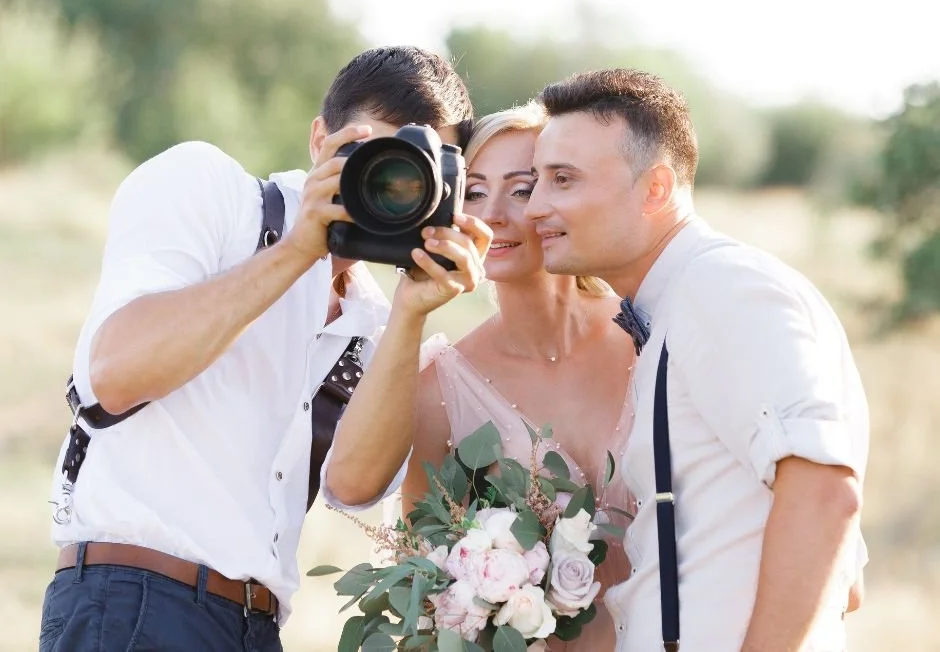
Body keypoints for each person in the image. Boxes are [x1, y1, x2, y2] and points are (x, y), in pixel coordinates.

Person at [38, 46, 491, 652]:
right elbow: (114, 372)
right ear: (318, 140)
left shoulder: (377, 323)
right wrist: (299, 251)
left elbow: (353, 489)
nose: (386, 186)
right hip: (134, 600)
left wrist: (414, 308)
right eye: (373, 158)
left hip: (255, 627)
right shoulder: (210, 189)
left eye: (411, 175)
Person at [526, 68, 869, 652]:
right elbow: (849, 582)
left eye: (563, 179)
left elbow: (823, 493)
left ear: (655, 188)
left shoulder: (723, 288)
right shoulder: (680, 302)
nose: (535, 206)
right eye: (537, 180)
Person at [401, 103, 637, 651]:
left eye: (523, 188)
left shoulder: (649, 337)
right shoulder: (441, 389)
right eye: (475, 193)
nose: (494, 216)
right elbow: (422, 576)